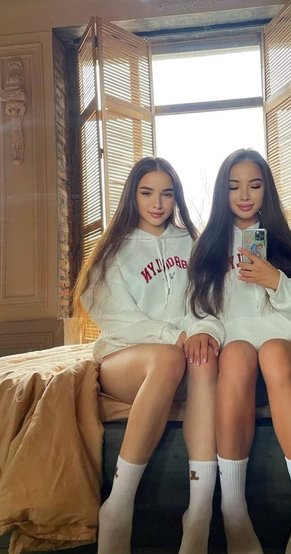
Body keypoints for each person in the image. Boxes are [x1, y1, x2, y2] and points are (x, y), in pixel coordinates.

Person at [72, 157, 222, 554]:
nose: (157, 203)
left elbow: (210, 305)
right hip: (125, 358)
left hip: (181, 356)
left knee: (205, 358)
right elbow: (117, 319)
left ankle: (200, 511)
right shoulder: (115, 249)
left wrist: (203, 331)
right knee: (170, 359)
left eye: (167, 194)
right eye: (147, 192)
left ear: (176, 198)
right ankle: (118, 505)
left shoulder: (192, 244)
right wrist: (174, 336)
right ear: (132, 196)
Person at [187, 148, 291, 554]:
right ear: (222, 192)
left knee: (273, 352)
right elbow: (197, 311)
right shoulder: (207, 247)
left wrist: (276, 281)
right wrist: (204, 330)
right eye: (234, 187)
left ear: (267, 190)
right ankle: (233, 512)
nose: (245, 195)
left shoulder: (289, 242)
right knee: (237, 353)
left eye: (254, 185)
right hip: (239, 370)